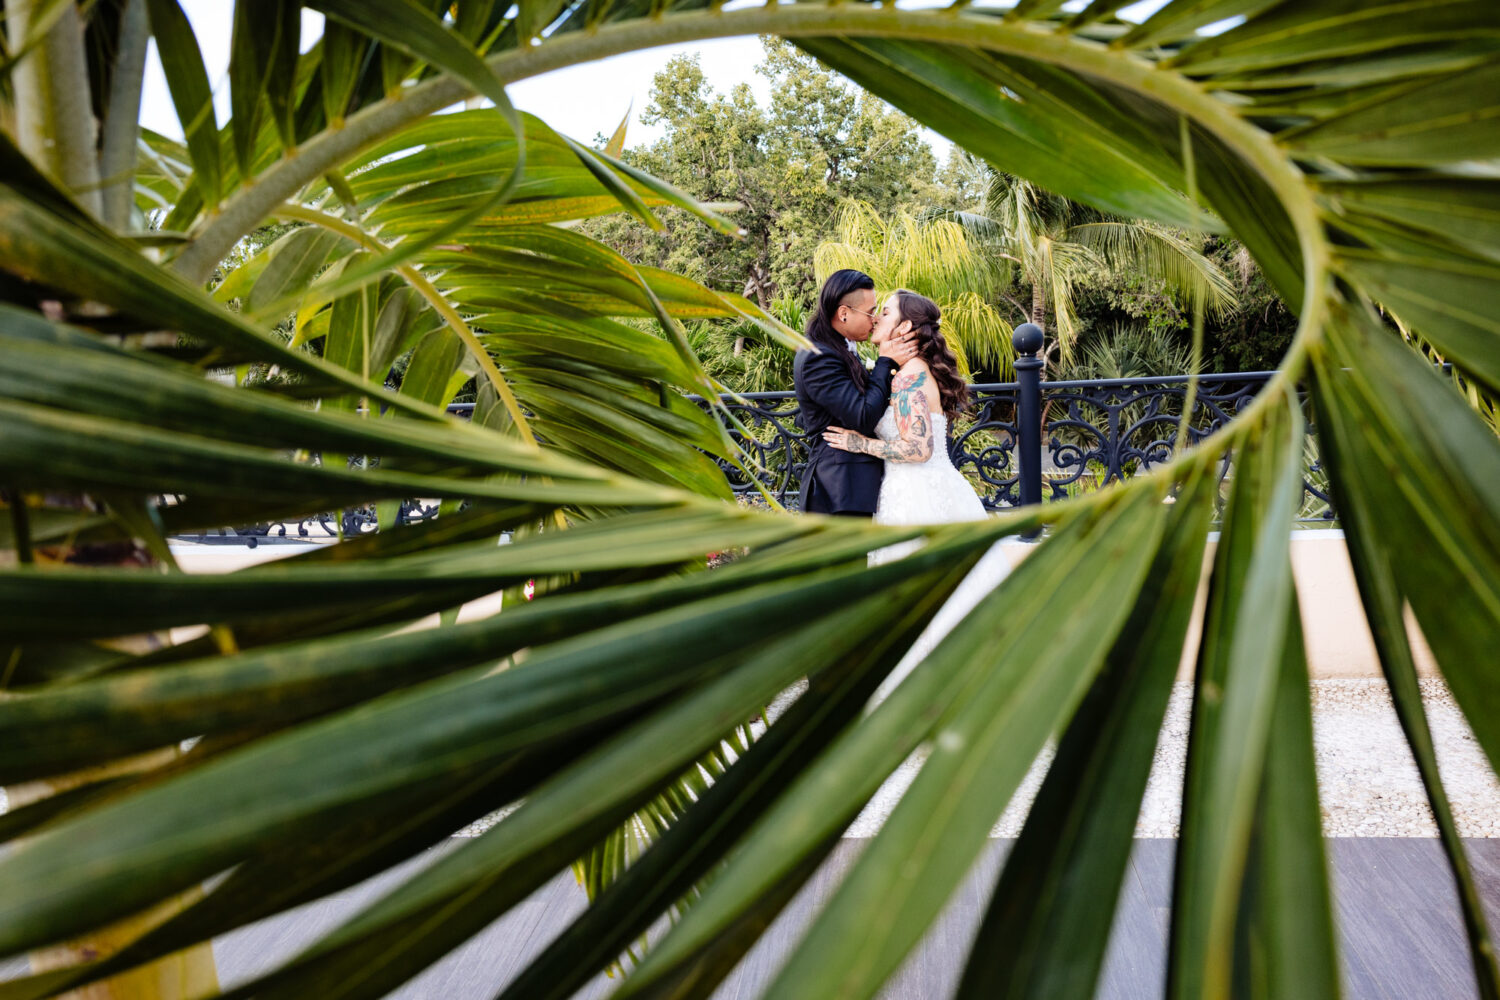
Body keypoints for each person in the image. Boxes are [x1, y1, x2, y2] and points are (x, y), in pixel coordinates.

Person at [822, 289, 1012, 703]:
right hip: (921, 489)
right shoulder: (906, 371)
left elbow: (918, 448)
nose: (876, 318)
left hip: (919, 494)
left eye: (884, 312)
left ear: (905, 327)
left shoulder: (910, 376)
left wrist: (861, 444)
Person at [792, 269, 918, 516]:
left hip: (851, 486)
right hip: (839, 490)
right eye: (870, 312)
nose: (874, 320)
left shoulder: (837, 348)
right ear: (844, 313)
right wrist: (885, 362)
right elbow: (862, 415)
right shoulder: (819, 357)